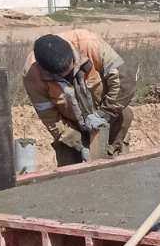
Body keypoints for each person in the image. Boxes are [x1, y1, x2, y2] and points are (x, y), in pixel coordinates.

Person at [23, 30, 135, 167]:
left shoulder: (90, 44)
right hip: (71, 125)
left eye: (71, 69)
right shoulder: (32, 74)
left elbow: (125, 83)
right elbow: (51, 118)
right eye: (63, 75)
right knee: (70, 168)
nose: (69, 74)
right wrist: (79, 145)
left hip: (108, 115)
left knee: (118, 162)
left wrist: (104, 114)